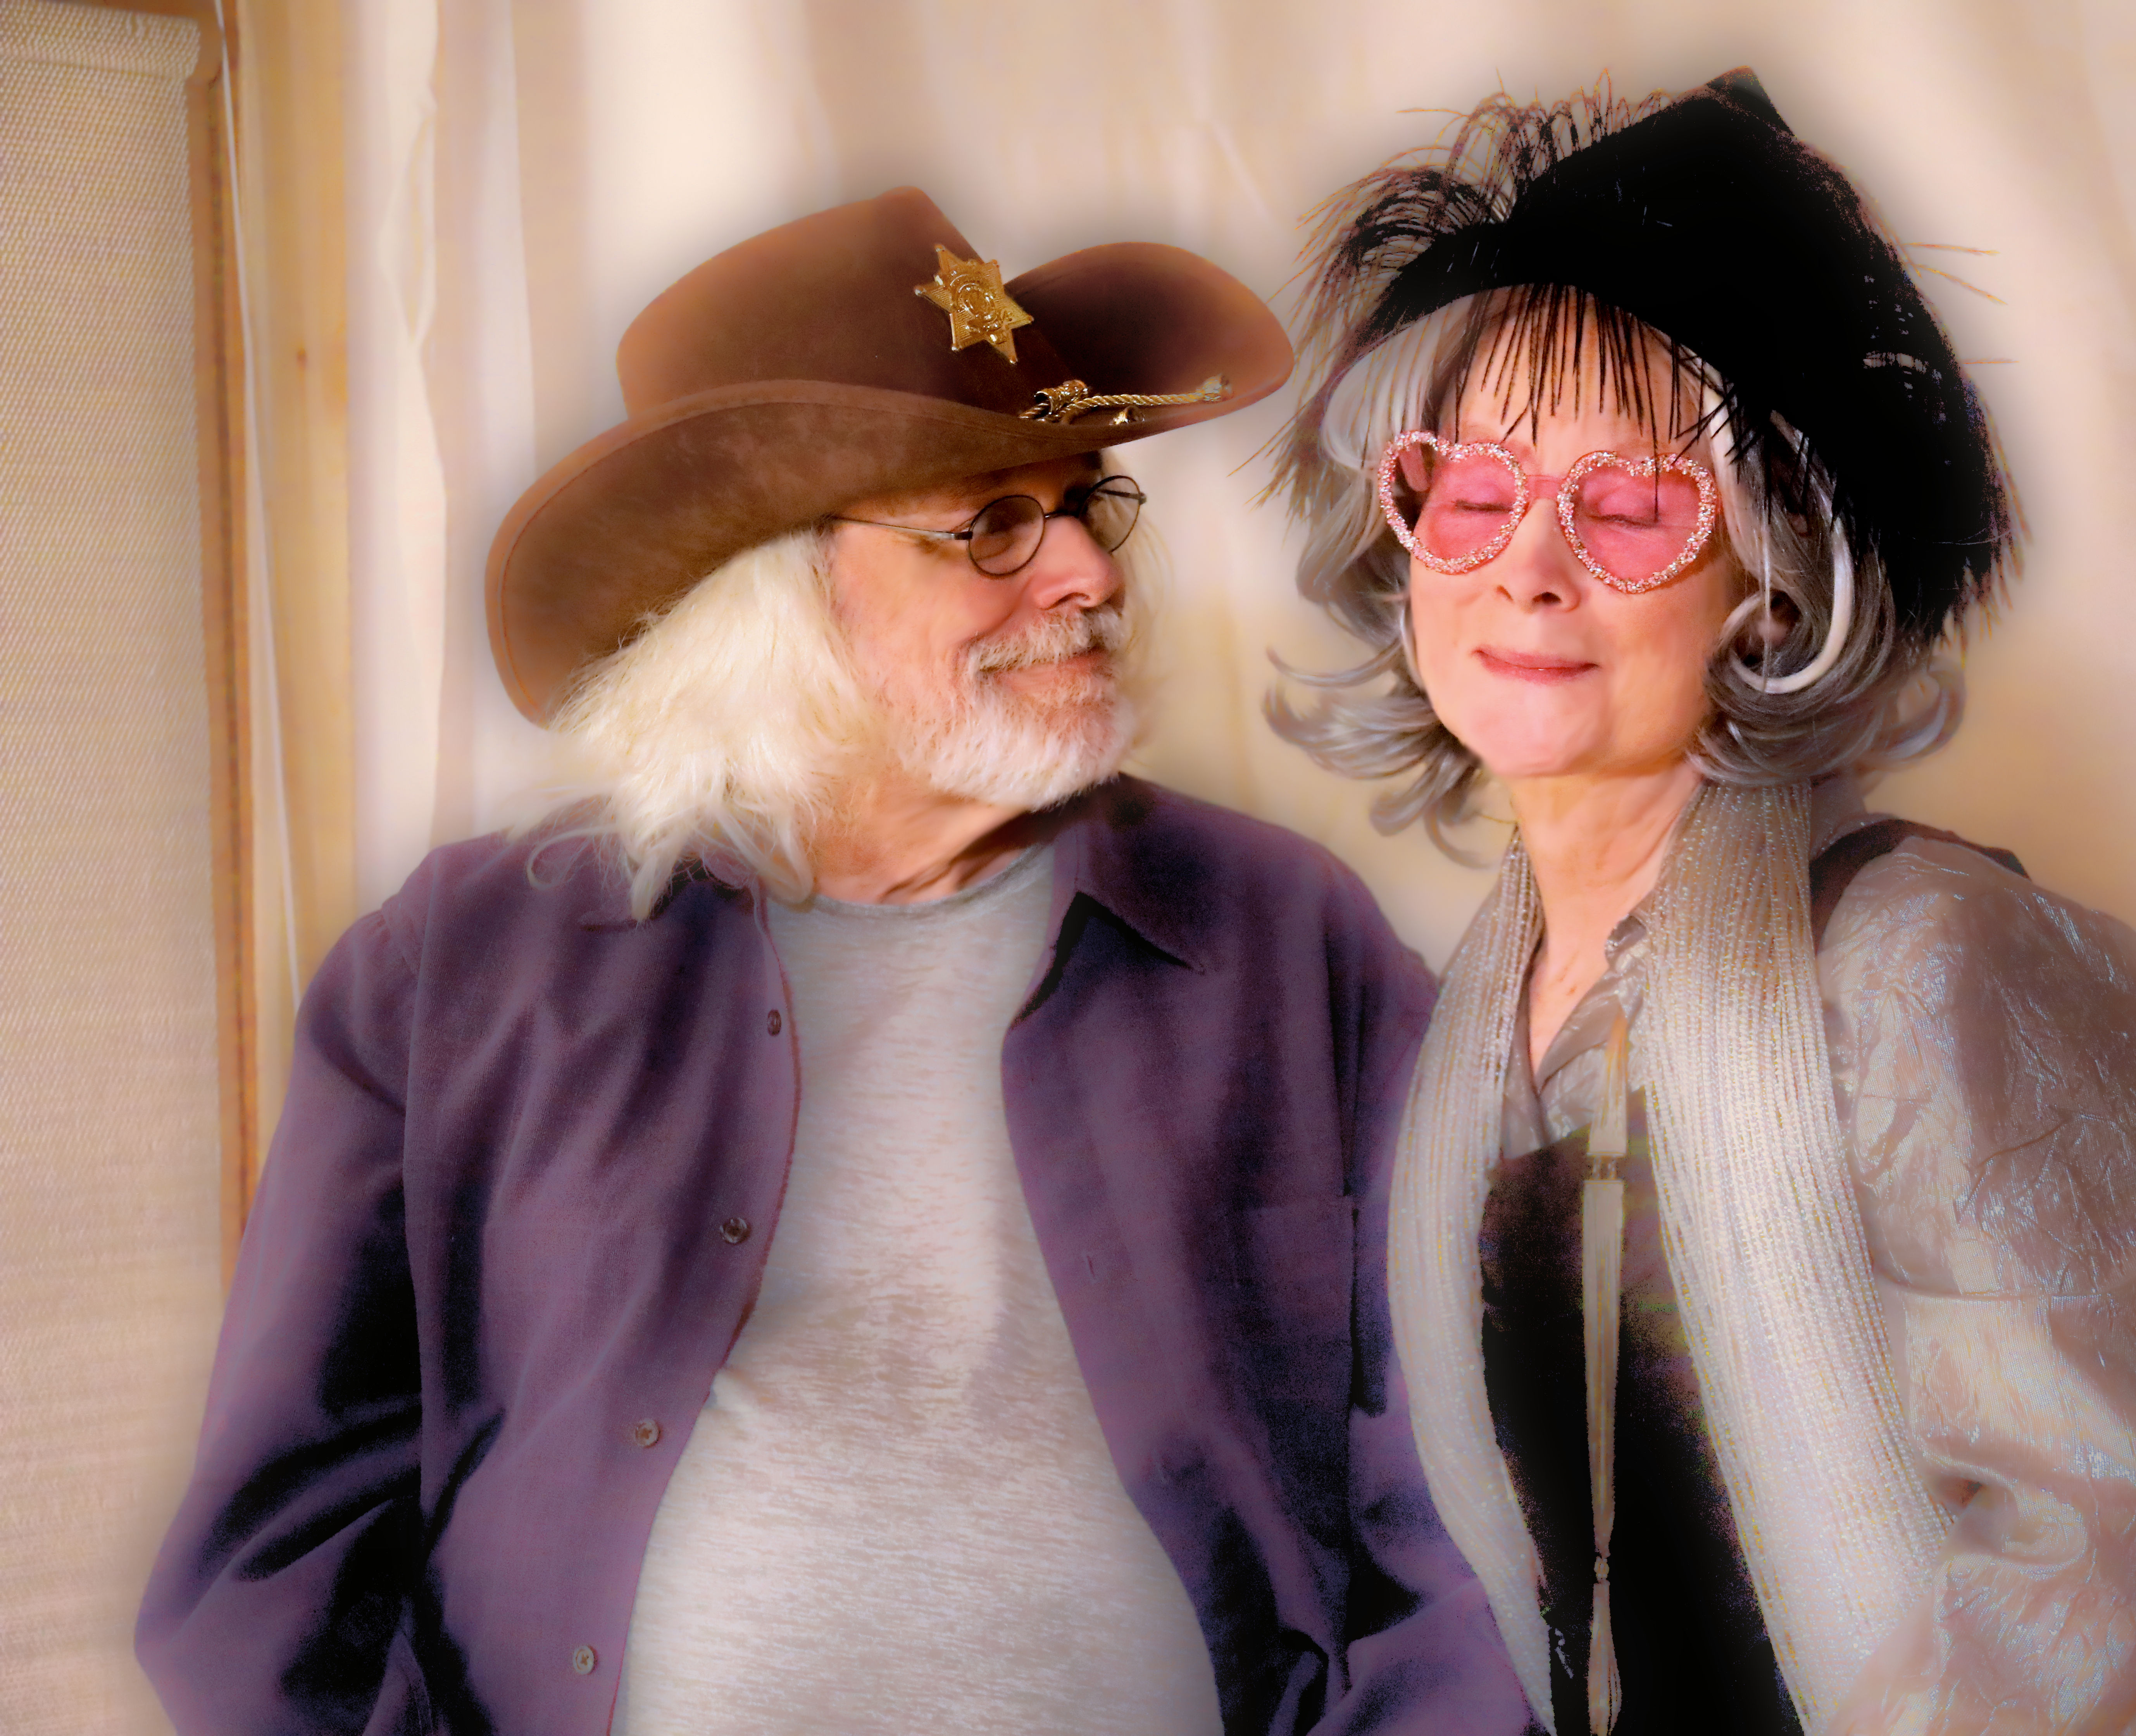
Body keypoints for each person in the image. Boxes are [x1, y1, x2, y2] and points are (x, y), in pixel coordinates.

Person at [137, 189, 1529, 1735]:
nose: (1089, 573)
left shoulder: (1285, 938)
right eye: (991, 524)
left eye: (1086, 502)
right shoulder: (460, 971)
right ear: (779, 596)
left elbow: (1465, 1493)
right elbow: (271, 1570)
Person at [1271, 71, 2136, 1735]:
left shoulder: (1926, 970)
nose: (1528, 566)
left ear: (1772, 582)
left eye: (1631, 505)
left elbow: (2088, 1614)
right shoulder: (1485, 1013)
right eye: (1473, 490)